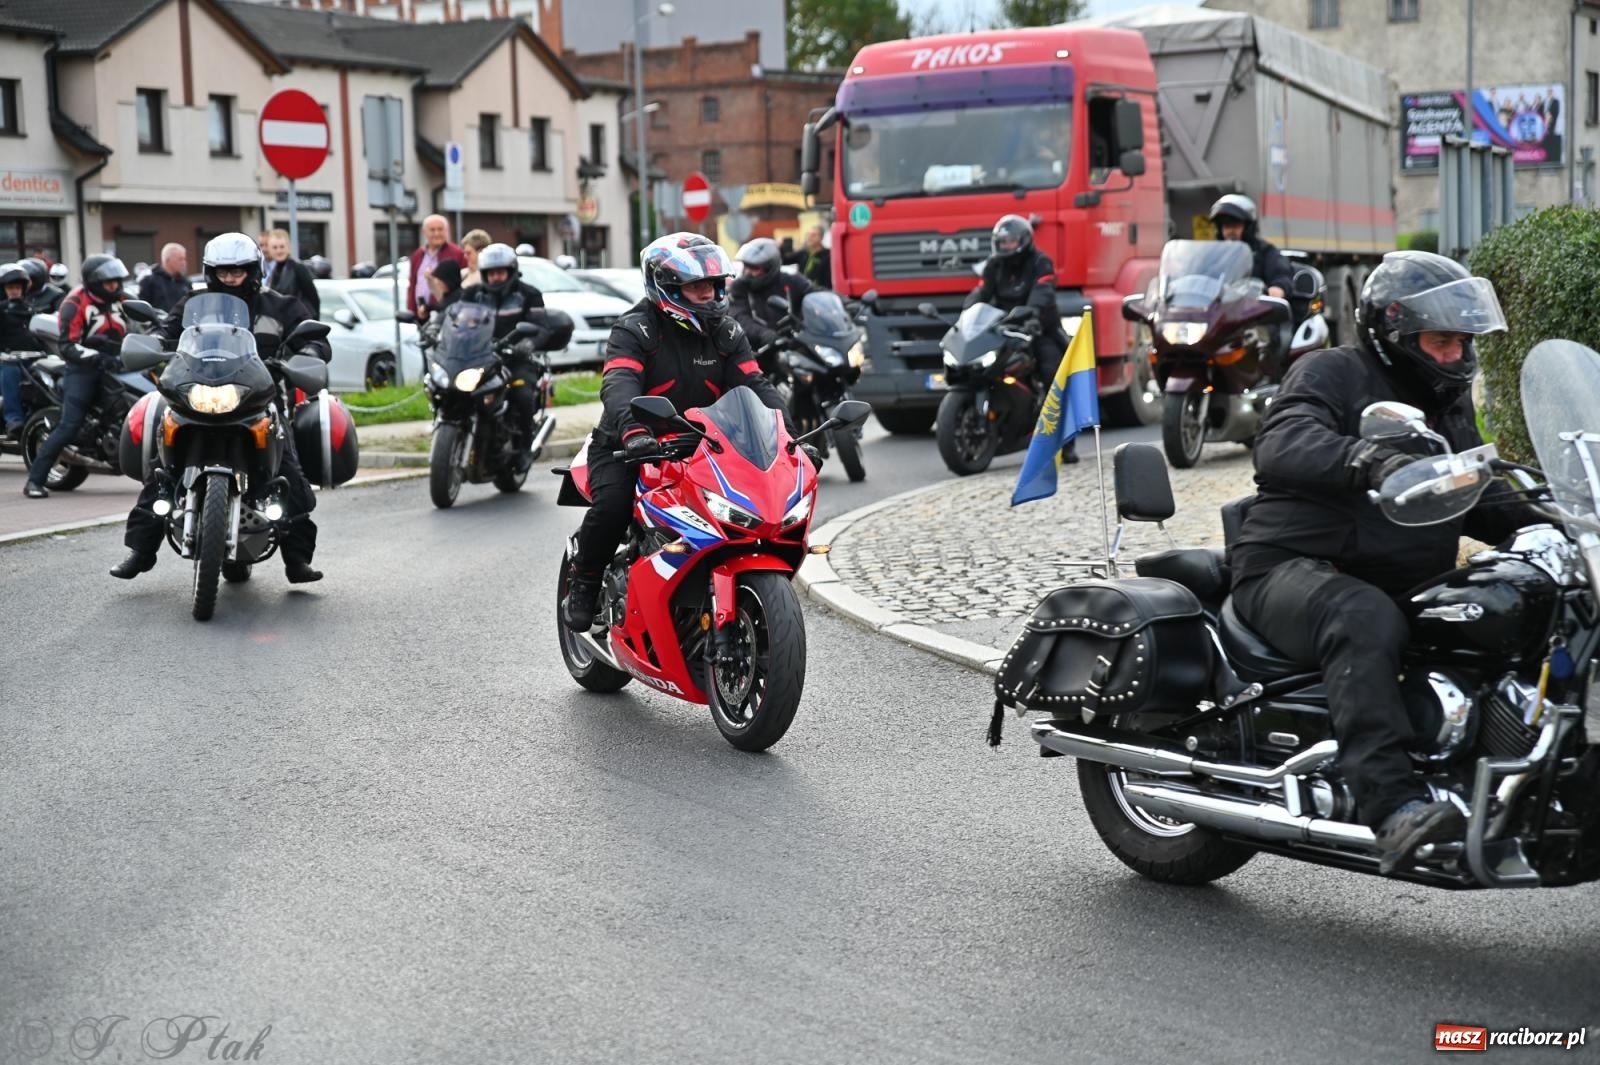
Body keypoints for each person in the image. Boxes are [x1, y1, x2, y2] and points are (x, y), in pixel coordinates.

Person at [1229, 251, 1543, 876]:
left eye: (1462, 342)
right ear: (1394, 333)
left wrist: (1557, 514)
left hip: (1399, 575)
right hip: (1293, 566)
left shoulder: (1444, 398)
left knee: (1520, 599)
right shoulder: (1331, 372)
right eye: (1441, 341)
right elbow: (1282, 441)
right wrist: (1368, 459)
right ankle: (1392, 806)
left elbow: (1478, 494)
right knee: (1362, 616)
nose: (1455, 356)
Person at [562, 233, 808, 631]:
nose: (708, 294)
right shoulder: (636, 329)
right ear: (668, 287)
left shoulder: (725, 332)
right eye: (697, 286)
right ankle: (586, 581)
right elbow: (619, 384)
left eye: (712, 285)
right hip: (628, 444)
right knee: (612, 507)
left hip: (701, 445)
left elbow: (757, 387)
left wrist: (791, 438)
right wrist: (633, 431)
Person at [110, 233, 330, 582]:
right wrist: (154, 342)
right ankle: (140, 550)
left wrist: (310, 352)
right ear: (211, 272)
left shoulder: (280, 306)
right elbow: (168, 330)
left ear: (253, 270)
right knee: (160, 470)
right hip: (200, 397)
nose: (230, 278)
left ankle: (297, 560)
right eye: (223, 271)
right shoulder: (192, 304)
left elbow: (313, 338)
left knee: (289, 470)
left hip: (259, 401)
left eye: (238, 271)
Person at [966, 214, 1076, 463]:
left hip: (1039, 328)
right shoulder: (994, 265)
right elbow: (981, 292)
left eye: (1011, 241)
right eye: (1002, 242)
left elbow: (1043, 290)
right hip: (1003, 328)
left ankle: (1066, 441)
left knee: (1053, 374)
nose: (1006, 247)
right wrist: (969, 313)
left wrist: (1033, 313)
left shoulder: (1040, 262)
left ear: (1024, 241)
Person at [23, 255, 130, 498]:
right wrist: (97, 357)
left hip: (119, 364)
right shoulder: (74, 302)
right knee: (70, 424)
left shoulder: (123, 299)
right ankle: (34, 481)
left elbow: (148, 318)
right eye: (110, 283)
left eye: (118, 282)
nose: (116, 287)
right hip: (84, 369)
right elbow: (67, 345)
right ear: (96, 282)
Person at [458, 243, 546, 474]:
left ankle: (525, 446)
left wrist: (528, 344)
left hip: (515, 360)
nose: (496, 277)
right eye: (491, 273)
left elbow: (540, 327)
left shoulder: (529, 294)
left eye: (501, 272)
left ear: (511, 271)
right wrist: (437, 329)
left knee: (522, 394)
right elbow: (455, 318)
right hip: (478, 358)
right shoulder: (472, 294)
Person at [731, 237, 812, 379]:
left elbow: (813, 292)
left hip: (793, 346)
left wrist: (843, 304)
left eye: (754, 268)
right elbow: (739, 317)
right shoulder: (739, 287)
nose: (748, 272)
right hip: (758, 351)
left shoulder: (790, 280)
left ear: (770, 267)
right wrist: (764, 334)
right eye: (746, 266)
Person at [1208, 195, 1291, 298]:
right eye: (1226, 226)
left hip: (1253, 309)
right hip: (1215, 309)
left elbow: (1281, 275)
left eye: (1235, 225)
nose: (1230, 231)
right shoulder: (1213, 254)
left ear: (1248, 227)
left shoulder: (1265, 251)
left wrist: (1278, 287)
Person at [1, 261, 44, 440]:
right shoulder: (1, 311)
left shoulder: (32, 310)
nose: (14, 291)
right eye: (10, 287)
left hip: (33, 359)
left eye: (17, 287)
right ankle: (14, 419)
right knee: (10, 372)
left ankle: (46, 415)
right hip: (7, 360)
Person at [408, 215, 466, 316]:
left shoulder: (457, 253)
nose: (437, 233)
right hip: (420, 313)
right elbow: (413, 283)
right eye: (432, 230)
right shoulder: (418, 255)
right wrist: (411, 309)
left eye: (440, 229)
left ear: (447, 231)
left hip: (445, 313)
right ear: (424, 232)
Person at [262, 230, 321, 319]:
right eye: (275, 247)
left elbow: (313, 297)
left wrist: (315, 323)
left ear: (288, 247)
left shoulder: (298, 268)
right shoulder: (273, 273)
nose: (279, 250)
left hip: (301, 322)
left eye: (282, 247)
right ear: (269, 249)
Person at [140, 243, 190, 313]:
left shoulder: (186, 283)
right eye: (180, 259)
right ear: (167, 260)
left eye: (184, 259)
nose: (184, 263)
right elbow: (143, 311)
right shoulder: (149, 282)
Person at [784, 225, 831, 290]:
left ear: (821, 237)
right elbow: (785, 260)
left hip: (821, 291)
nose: (810, 237)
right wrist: (782, 246)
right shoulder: (803, 253)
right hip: (802, 289)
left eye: (813, 235)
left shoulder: (828, 255)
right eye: (808, 235)